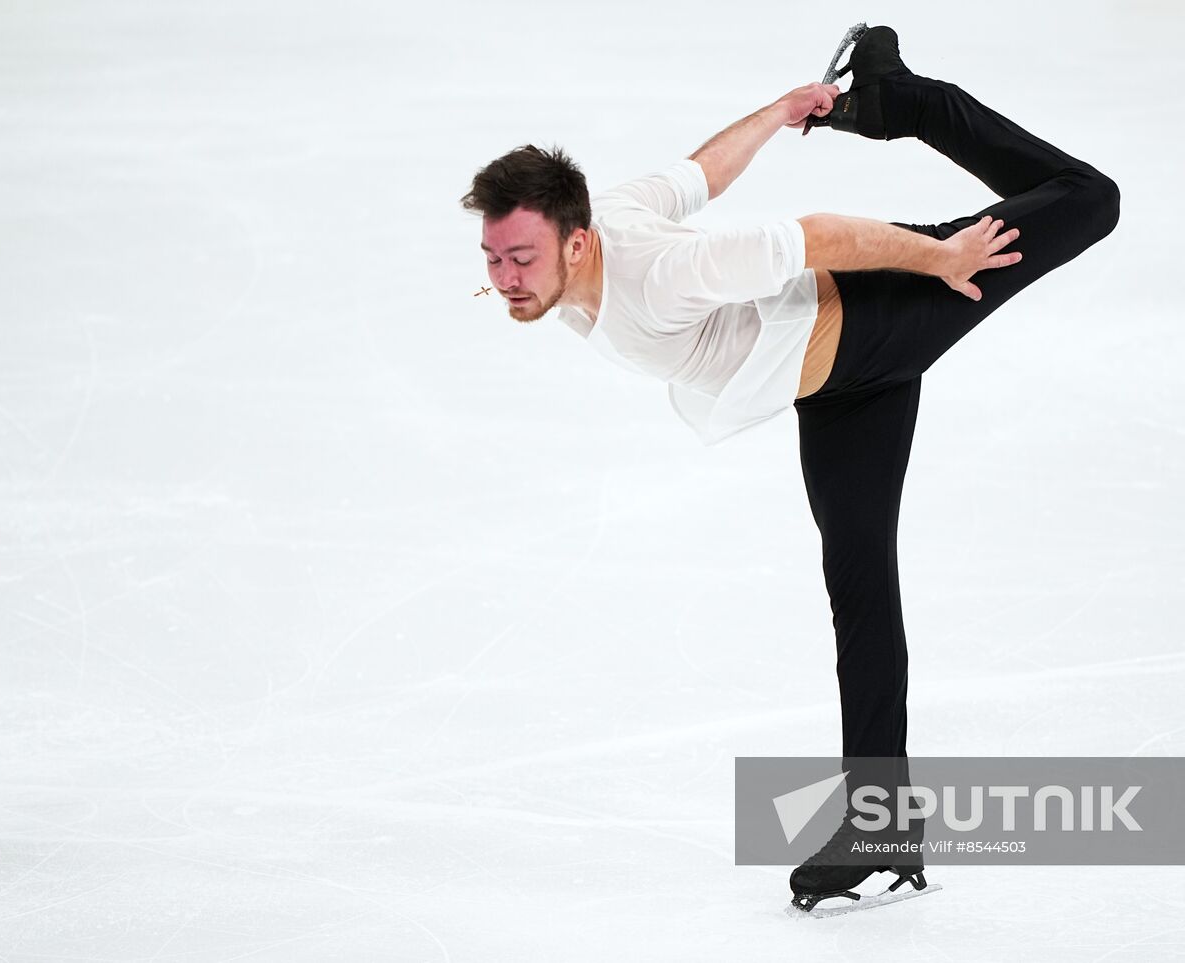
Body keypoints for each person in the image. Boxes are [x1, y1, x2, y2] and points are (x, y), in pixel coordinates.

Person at [462, 24, 1120, 912]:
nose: (505, 276)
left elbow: (813, 236)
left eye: (521, 257)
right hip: (837, 386)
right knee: (859, 583)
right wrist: (776, 113)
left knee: (1088, 198)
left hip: (889, 306)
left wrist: (944, 257)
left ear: (576, 243)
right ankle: (879, 820)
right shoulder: (602, 222)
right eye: (494, 257)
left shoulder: (661, 273)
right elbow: (698, 173)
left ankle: (908, 101)